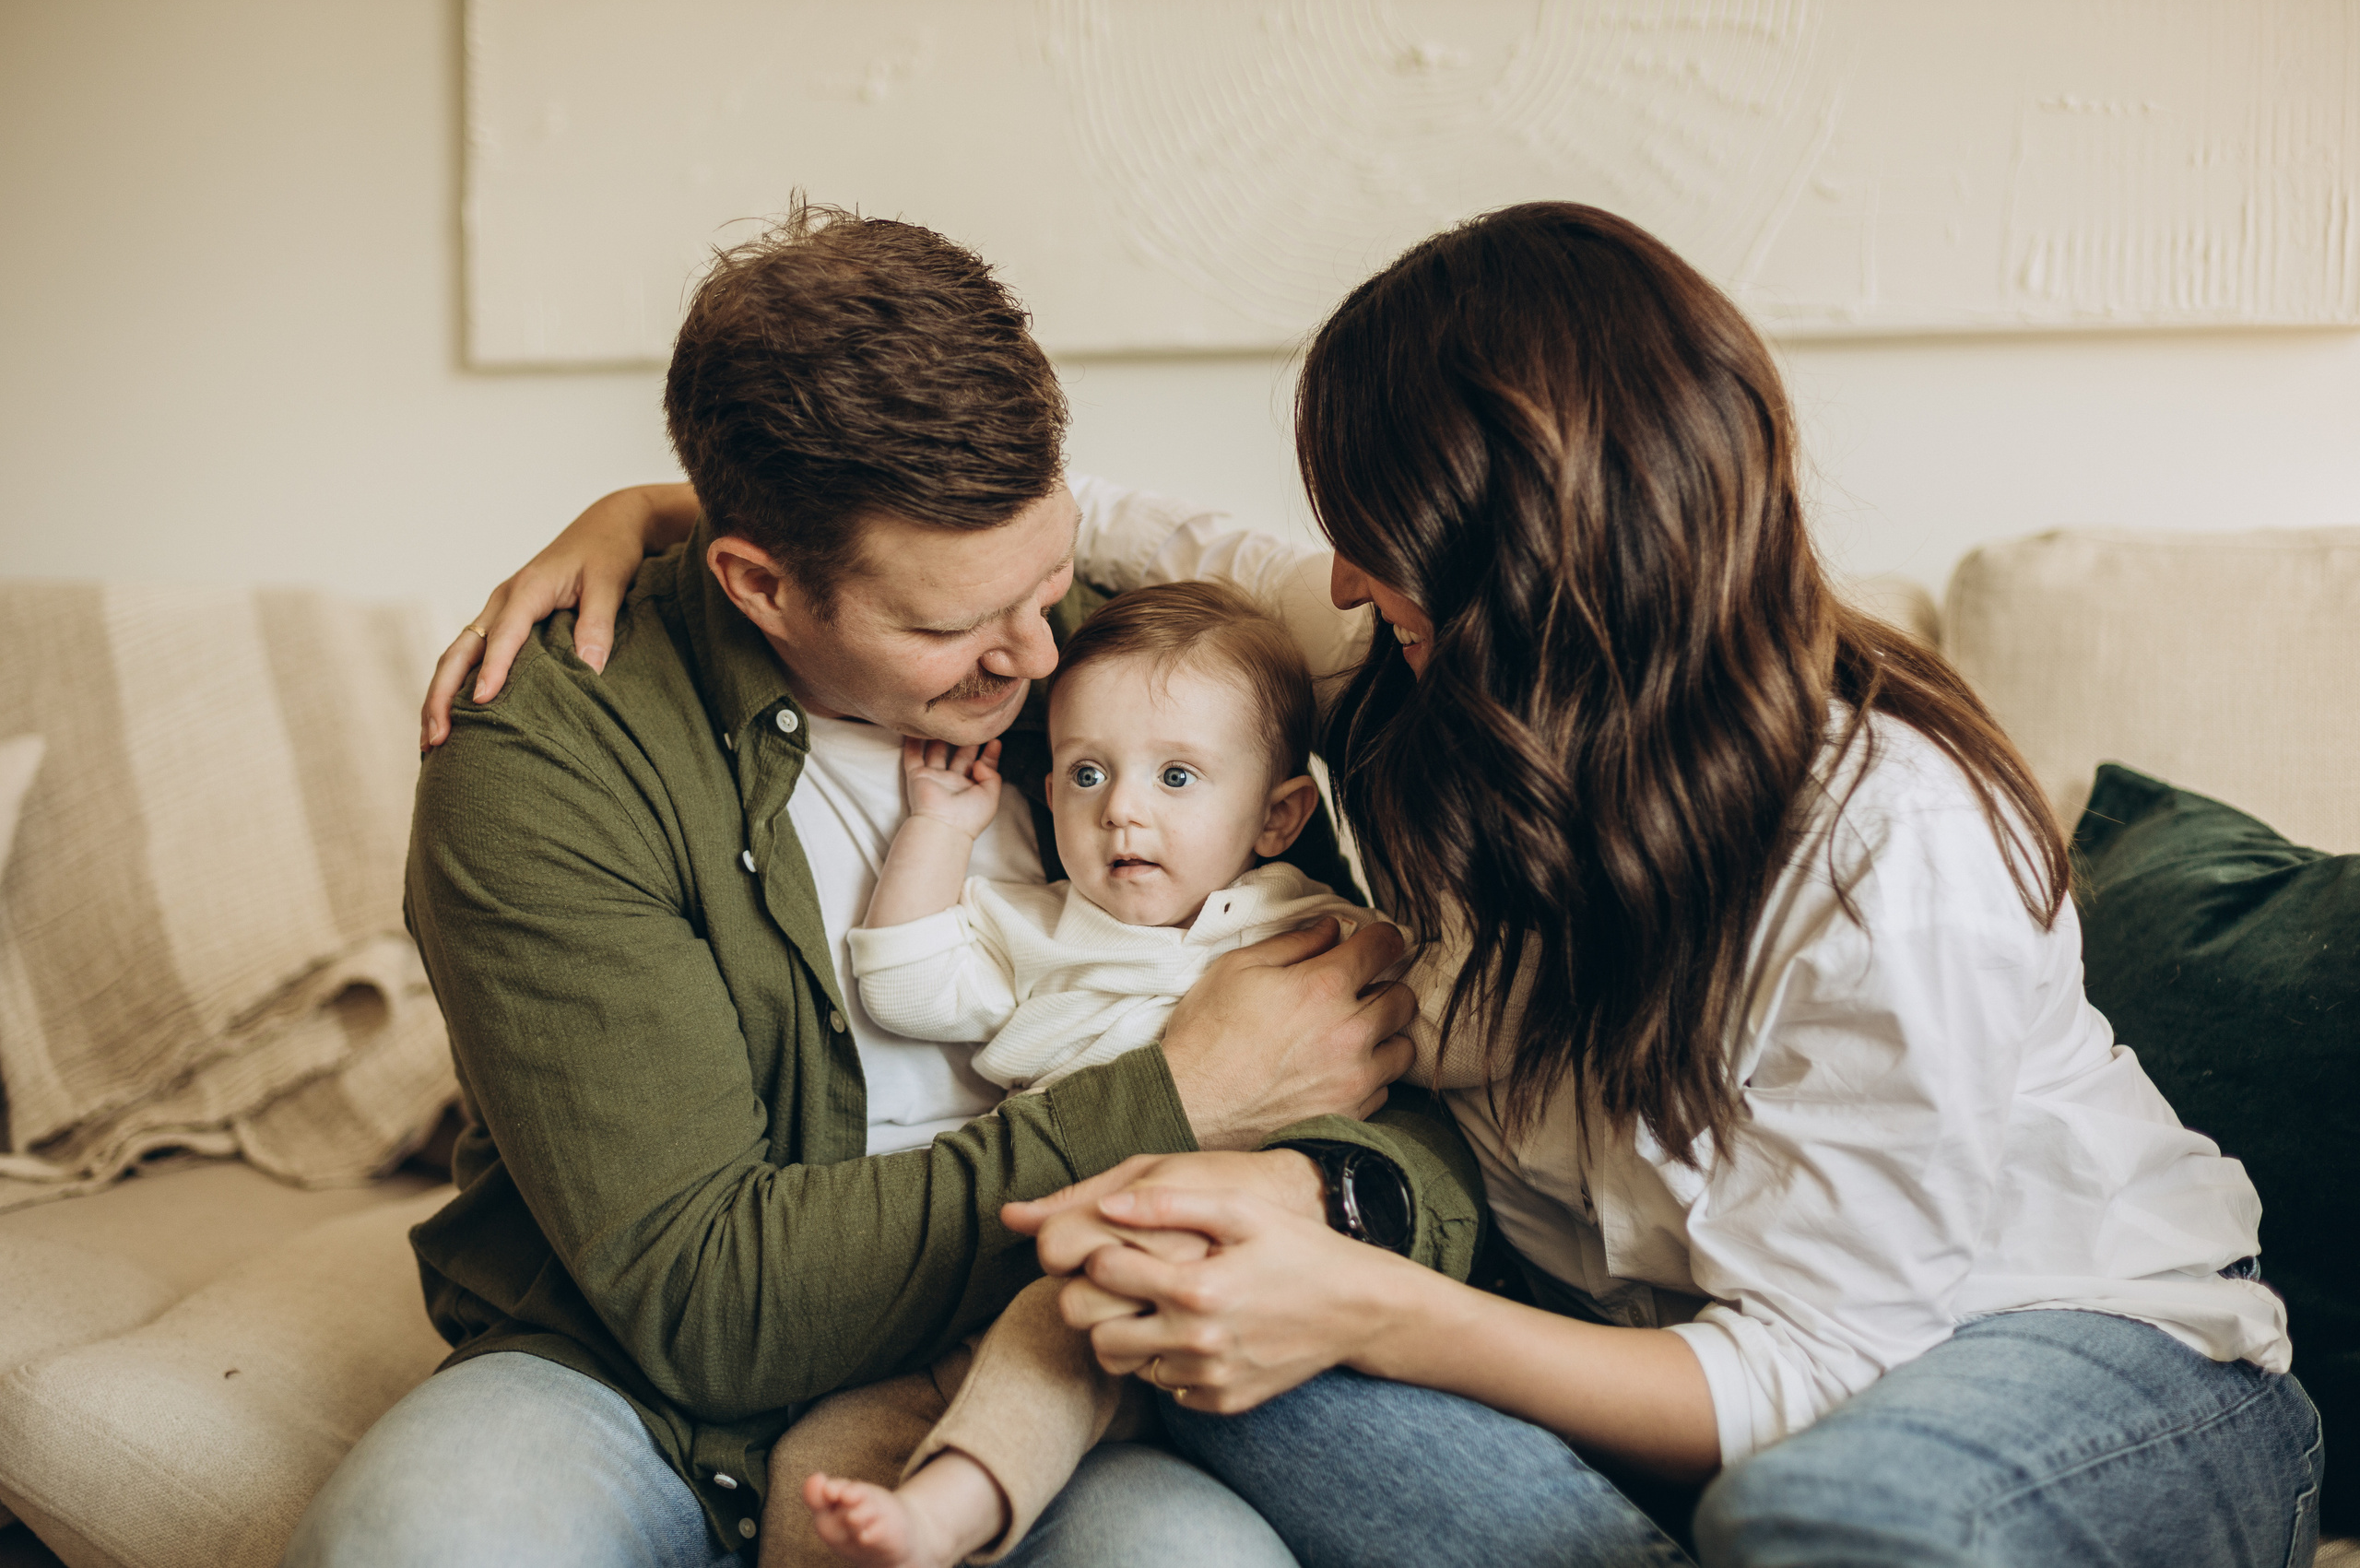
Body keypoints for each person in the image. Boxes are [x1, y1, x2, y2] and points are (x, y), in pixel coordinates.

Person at [423, 202, 2323, 1566]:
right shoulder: (1400, 685)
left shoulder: (1880, 840)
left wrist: (1359, 1299)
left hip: (2021, 1359)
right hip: (1635, 1378)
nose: (1332, 576)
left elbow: (1821, 1362)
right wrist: (671, 522)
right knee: (1150, 1315)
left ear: (1548, 577)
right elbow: (1119, 546)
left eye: (1377, 537)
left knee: (1821, 1511)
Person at [284, 204, 1487, 1568]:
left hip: (1045, 1373)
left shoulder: (1139, 670)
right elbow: (704, 1297)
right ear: (759, 582)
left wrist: (1316, 1189)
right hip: (637, 1392)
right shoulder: (550, 747)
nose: (1034, 657)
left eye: (1045, 574)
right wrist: (1181, 1098)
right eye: (948, 625)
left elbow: (1415, 1097)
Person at [775, 580, 1480, 1568]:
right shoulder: (1043, 928)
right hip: (997, 1273)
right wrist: (939, 828)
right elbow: (908, 987)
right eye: (1087, 774)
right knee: (820, 1455)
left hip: (1176, 1282)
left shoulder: (1311, 929)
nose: (1123, 813)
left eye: (1178, 778)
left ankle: (953, 1506)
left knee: (1061, 1321)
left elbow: (1448, 1033)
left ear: (1277, 817)